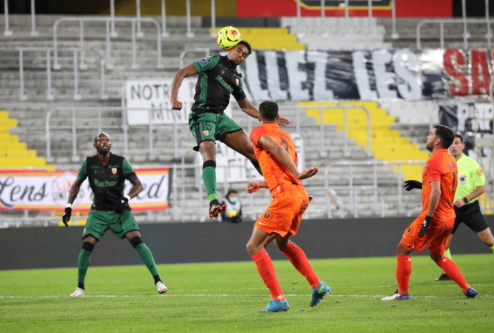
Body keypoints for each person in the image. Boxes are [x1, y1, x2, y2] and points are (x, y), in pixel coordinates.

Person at [170, 40, 290, 219]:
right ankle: (213, 201)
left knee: (254, 152)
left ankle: (283, 190)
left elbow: (246, 107)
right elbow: (181, 73)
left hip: (221, 117)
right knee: (209, 153)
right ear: (230, 48)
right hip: (203, 115)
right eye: (239, 51)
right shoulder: (212, 61)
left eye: (244, 55)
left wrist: (268, 119)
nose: (240, 55)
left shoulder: (236, 78)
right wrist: (173, 98)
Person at [246, 100, 330, 313]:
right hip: (298, 195)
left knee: (254, 246)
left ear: (259, 116)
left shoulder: (258, 131)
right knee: (282, 244)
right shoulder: (287, 136)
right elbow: (282, 172)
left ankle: (278, 299)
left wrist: (298, 172)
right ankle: (317, 285)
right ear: (278, 116)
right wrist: (262, 184)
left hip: (286, 197)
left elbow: (271, 146)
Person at [62, 132, 167, 297]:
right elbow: (76, 184)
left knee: (137, 240)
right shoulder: (88, 163)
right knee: (87, 244)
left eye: (107, 140)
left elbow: (138, 185)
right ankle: (80, 287)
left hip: (120, 211)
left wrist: (126, 198)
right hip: (98, 212)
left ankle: (158, 281)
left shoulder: (121, 162)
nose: (104, 142)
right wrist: (68, 206)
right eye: (100, 140)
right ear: (95, 145)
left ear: (110, 144)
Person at [382, 125, 477, 301]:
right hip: (449, 217)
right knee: (437, 255)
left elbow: (437, 192)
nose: (428, 136)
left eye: (431, 134)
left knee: (402, 249)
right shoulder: (449, 159)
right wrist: (422, 184)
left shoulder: (434, 160)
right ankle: (466, 288)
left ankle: (402, 293)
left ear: (438, 141)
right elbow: (444, 185)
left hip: (435, 217)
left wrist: (428, 219)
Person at [408, 134, 494, 281]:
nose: (454, 146)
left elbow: (481, 188)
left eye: (457, 143)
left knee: (489, 240)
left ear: (463, 146)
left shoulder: (472, 164)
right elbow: (437, 184)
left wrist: (464, 199)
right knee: (443, 245)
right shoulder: (445, 162)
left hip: (469, 208)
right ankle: (448, 273)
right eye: (452, 143)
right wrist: (420, 185)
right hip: (449, 209)